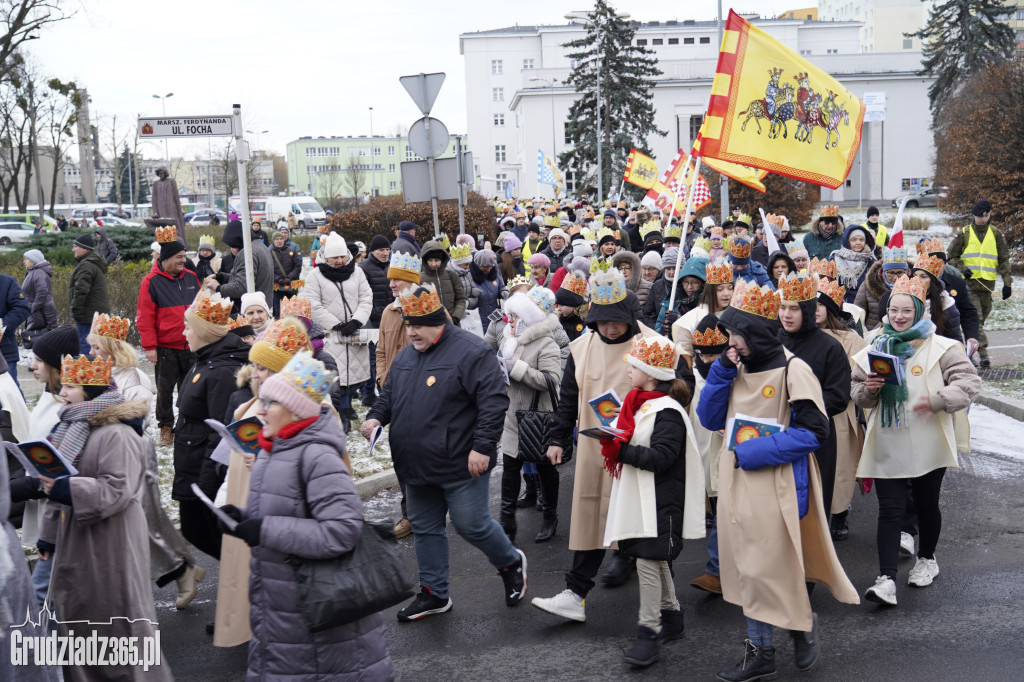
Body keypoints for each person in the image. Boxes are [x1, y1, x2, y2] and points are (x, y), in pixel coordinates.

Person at [697, 279, 858, 681]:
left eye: (736, 335)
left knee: (769, 566)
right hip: (737, 481)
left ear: (756, 334)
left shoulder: (793, 369)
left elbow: (814, 432)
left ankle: (796, 630)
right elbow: (711, 419)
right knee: (748, 569)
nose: (730, 342)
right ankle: (763, 650)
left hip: (776, 482)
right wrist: (719, 371)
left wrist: (752, 452)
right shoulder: (733, 366)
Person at [216, 351, 394, 678]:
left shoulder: (318, 457)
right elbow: (286, 510)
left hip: (320, 627)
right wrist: (242, 518)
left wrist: (265, 530)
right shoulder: (275, 450)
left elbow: (342, 531)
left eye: (271, 403)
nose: (262, 410)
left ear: (295, 410)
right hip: (283, 613)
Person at [362, 284, 528, 620]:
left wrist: (482, 447)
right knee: (424, 527)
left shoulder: (472, 351)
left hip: (461, 461)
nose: (412, 333)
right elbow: (390, 395)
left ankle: (510, 562)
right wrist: (376, 416)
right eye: (409, 326)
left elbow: (494, 402)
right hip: (416, 464)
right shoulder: (407, 355)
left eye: (419, 326)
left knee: (471, 525)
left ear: (439, 322)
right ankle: (434, 593)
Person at [532, 269, 688, 621]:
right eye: (604, 323)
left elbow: (679, 390)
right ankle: (575, 593)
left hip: (642, 452)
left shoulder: (649, 344)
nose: (611, 329)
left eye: (617, 322)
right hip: (596, 451)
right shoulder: (581, 348)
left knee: (647, 524)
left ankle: (665, 604)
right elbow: (569, 396)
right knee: (591, 515)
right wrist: (557, 438)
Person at [36, 354, 172, 682]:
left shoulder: (117, 433)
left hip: (113, 544)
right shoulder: (71, 427)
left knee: (116, 625)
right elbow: (58, 482)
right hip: (79, 542)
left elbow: (117, 490)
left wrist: (67, 489)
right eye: (64, 384)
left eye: (71, 385)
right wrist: (48, 535)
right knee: (84, 626)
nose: (63, 391)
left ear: (91, 389)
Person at [852, 274, 981, 606]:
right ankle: (886, 580)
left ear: (920, 311)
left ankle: (927, 558)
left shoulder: (943, 347)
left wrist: (938, 400)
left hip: (928, 437)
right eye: (893, 310)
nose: (898, 317)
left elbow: (968, 383)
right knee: (890, 510)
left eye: (906, 311)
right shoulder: (875, 345)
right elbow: (855, 391)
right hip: (888, 438)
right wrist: (869, 390)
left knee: (926, 505)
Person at [87, 312, 204, 608]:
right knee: (136, 522)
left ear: (111, 349)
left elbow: (136, 418)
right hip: (110, 455)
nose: (90, 353)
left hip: (133, 454)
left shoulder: (133, 378)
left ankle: (181, 571)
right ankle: (183, 566)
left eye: (96, 347)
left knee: (144, 521)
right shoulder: (99, 373)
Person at [600, 333, 703, 667]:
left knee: (646, 562)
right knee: (654, 560)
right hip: (644, 498)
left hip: (660, 500)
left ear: (651, 373)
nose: (628, 370)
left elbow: (662, 458)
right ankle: (672, 619)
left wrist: (621, 449)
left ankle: (649, 632)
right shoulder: (639, 403)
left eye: (634, 365)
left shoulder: (668, 411)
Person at [214, 319, 313, 649]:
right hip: (249, 503)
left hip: (281, 517)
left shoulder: (308, 410)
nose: (253, 373)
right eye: (253, 366)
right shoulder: (251, 403)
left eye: (262, 368)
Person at [174, 291, 250, 559]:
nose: (183, 333)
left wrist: (205, 484)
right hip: (190, 462)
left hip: (202, 470)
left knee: (207, 533)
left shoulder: (220, 371)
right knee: (195, 531)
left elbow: (220, 432)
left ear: (203, 332)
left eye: (187, 327)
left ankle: (246, 580)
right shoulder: (204, 359)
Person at [777, 272, 852, 528]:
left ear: (808, 310)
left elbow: (838, 397)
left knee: (811, 508)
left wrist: (798, 410)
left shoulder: (830, 348)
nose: (786, 314)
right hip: (772, 434)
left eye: (794, 309)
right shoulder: (770, 341)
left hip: (813, 437)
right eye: (783, 307)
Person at [496, 291, 563, 544]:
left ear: (526, 318)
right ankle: (506, 521)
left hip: (539, 419)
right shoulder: (509, 340)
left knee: (546, 470)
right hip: (512, 417)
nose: (509, 320)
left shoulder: (547, 343)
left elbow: (551, 380)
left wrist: (518, 369)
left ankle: (549, 516)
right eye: (509, 315)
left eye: (515, 316)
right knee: (510, 469)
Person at [138, 228, 202, 449]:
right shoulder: (151, 282)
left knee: (190, 389)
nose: (184, 261)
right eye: (179, 257)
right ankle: (166, 427)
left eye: (184, 257)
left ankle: (186, 424)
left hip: (192, 346)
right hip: (166, 347)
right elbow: (145, 317)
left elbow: (200, 309)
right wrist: (150, 346)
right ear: (165, 259)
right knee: (165, 391)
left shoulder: (192, 278)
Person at [815, 278, 868, 541]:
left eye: (820, 304)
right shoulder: (797, 337)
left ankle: (840, 512)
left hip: (839, 412)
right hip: (808, 410)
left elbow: (859, 374)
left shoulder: (850, 339)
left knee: (841, 466)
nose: (814, 309)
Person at [302, 232, 372, 433]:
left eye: (342, 256)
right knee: (335, 375)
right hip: (330, 334)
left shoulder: (357, 272)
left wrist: (357, 320)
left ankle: (347, 407)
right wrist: (337, 324)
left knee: (352, 374)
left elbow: (366, 297)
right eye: (335, 257)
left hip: (354, 331)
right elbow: (313, 305)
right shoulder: (315, 276)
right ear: (327, 257)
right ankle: (340, 412)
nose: (340, 261)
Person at [684, 315, 730, 595]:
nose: (709, 360)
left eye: (715, 354)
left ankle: (719, 569)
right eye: (703, 354)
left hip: (735, 448)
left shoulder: (737, 371)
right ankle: (718, 570)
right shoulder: (690, 375)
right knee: (721, 507)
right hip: (703, 450)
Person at [946, 199, 1013, 368]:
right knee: (976, 318)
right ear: (973, 216)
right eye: (978, 216)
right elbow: (951, 257)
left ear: (990, 215)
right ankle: (982, 355)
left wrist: (1007, 283)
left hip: (988, 286)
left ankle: (966, 351)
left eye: (985, 216)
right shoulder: (965, 233)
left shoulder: (996, 234)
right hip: (969, 286)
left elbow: (1004, 259)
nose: (982, 219)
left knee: (979, 323)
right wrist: (963, 268)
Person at [672, 258, 734, 366]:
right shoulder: (691, 321)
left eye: (730, 288)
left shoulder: (737, 315)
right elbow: (685, 359)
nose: (726, 294)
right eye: (720, 289)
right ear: (710, 291)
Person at [359, 234, 393, 407]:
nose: (385, 253)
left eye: (387, 249)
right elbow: (362, 297)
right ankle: (372, 393)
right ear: (373, 251)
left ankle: (374, 393)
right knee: (373, 357)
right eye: (381, 250)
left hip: (390, 320)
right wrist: (377, 312)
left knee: (387, 357)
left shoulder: (391, 267)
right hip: (371, 321)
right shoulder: (364, 268)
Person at [68, 233, 110, 354]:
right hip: (93, 314)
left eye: (75, 246)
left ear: (84, 248)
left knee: (86, 346)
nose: (73, 249)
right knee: (94, 346)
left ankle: (89, 372)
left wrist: (75, 314)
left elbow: (80, 292)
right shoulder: (90, 263)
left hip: (87, 316)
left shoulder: (86, 265)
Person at [857, 246, 909, 331]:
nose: (895, 278)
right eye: (891, 273)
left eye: (900, 273)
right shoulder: (867, 285)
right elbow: (858, 313)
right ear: (883, 272)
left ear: (907, 272)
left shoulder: (914, 287)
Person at [421, 238, 467, 324]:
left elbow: (460, 299)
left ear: (442, 260)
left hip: (453, 325)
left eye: (437, 260)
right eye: (430, 260)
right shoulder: (420, 279)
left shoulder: (452, 275)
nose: (433, 264)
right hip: (431, 326)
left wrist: (455, 318)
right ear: (425, 261)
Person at [829, 224, 876, 303]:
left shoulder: (871, 261)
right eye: (854, 240)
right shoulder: (836, 259)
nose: (858, 243)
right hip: (840, 305)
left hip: (862, 306)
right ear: (847, 242)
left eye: (861, 240)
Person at [21, 248, 57, 336]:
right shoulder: (33, 272)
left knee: (41, 339)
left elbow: (42, 292)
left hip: (41, 313)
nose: (24, 261)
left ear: (34, 261)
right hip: (37, 312)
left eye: (27, 259)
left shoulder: (38, 272)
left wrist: (33, 308)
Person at [471, 249, 507, 333]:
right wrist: (472, 294)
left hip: (495, 313)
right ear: (477, 265)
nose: (488, 269)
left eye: (490, 266)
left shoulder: (495, 271)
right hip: (478, 316)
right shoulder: (470, 275)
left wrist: (504, 291)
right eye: (484, 267)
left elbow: (502, 285)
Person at [269, 230, 303, 317]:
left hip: (290, 286)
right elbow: (268, 270)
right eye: (277, 239)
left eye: (281, 238)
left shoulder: (291, 251)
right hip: (277, 287)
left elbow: (297, 266)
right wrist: (277, 279)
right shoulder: (269, 253)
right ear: (273, 240)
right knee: (278, 311)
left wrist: (290, 277)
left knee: (291, 310)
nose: (279, 241)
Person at [554, 272, 589, 342]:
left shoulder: (585, 321)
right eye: (558, 305)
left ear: (574, 305)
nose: (558, 308)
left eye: (562, 305)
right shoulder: (558, 322)